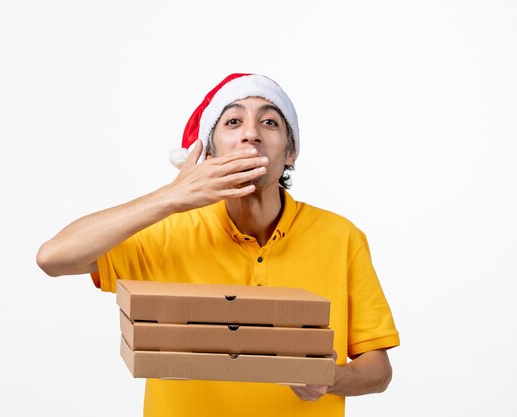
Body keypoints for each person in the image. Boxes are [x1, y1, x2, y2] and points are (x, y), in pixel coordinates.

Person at [37, 73, 400, 417]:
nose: (251, 135)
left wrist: (329, 378)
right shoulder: (169, 231)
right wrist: (171, 196)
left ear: (291, 153)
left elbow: (378, 370)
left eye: (270, 122)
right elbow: (53, 258)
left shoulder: (341, 236)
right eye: (233, 122)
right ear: (208, 153)